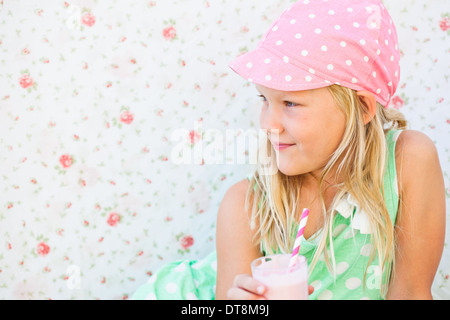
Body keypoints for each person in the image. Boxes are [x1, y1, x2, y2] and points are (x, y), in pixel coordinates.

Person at [132, 0, 445, 300]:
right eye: (264, 100)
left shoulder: (409, 161)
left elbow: (411, 294)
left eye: (291, 103)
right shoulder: (246, 205)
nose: (270, 124)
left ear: (362, 106)